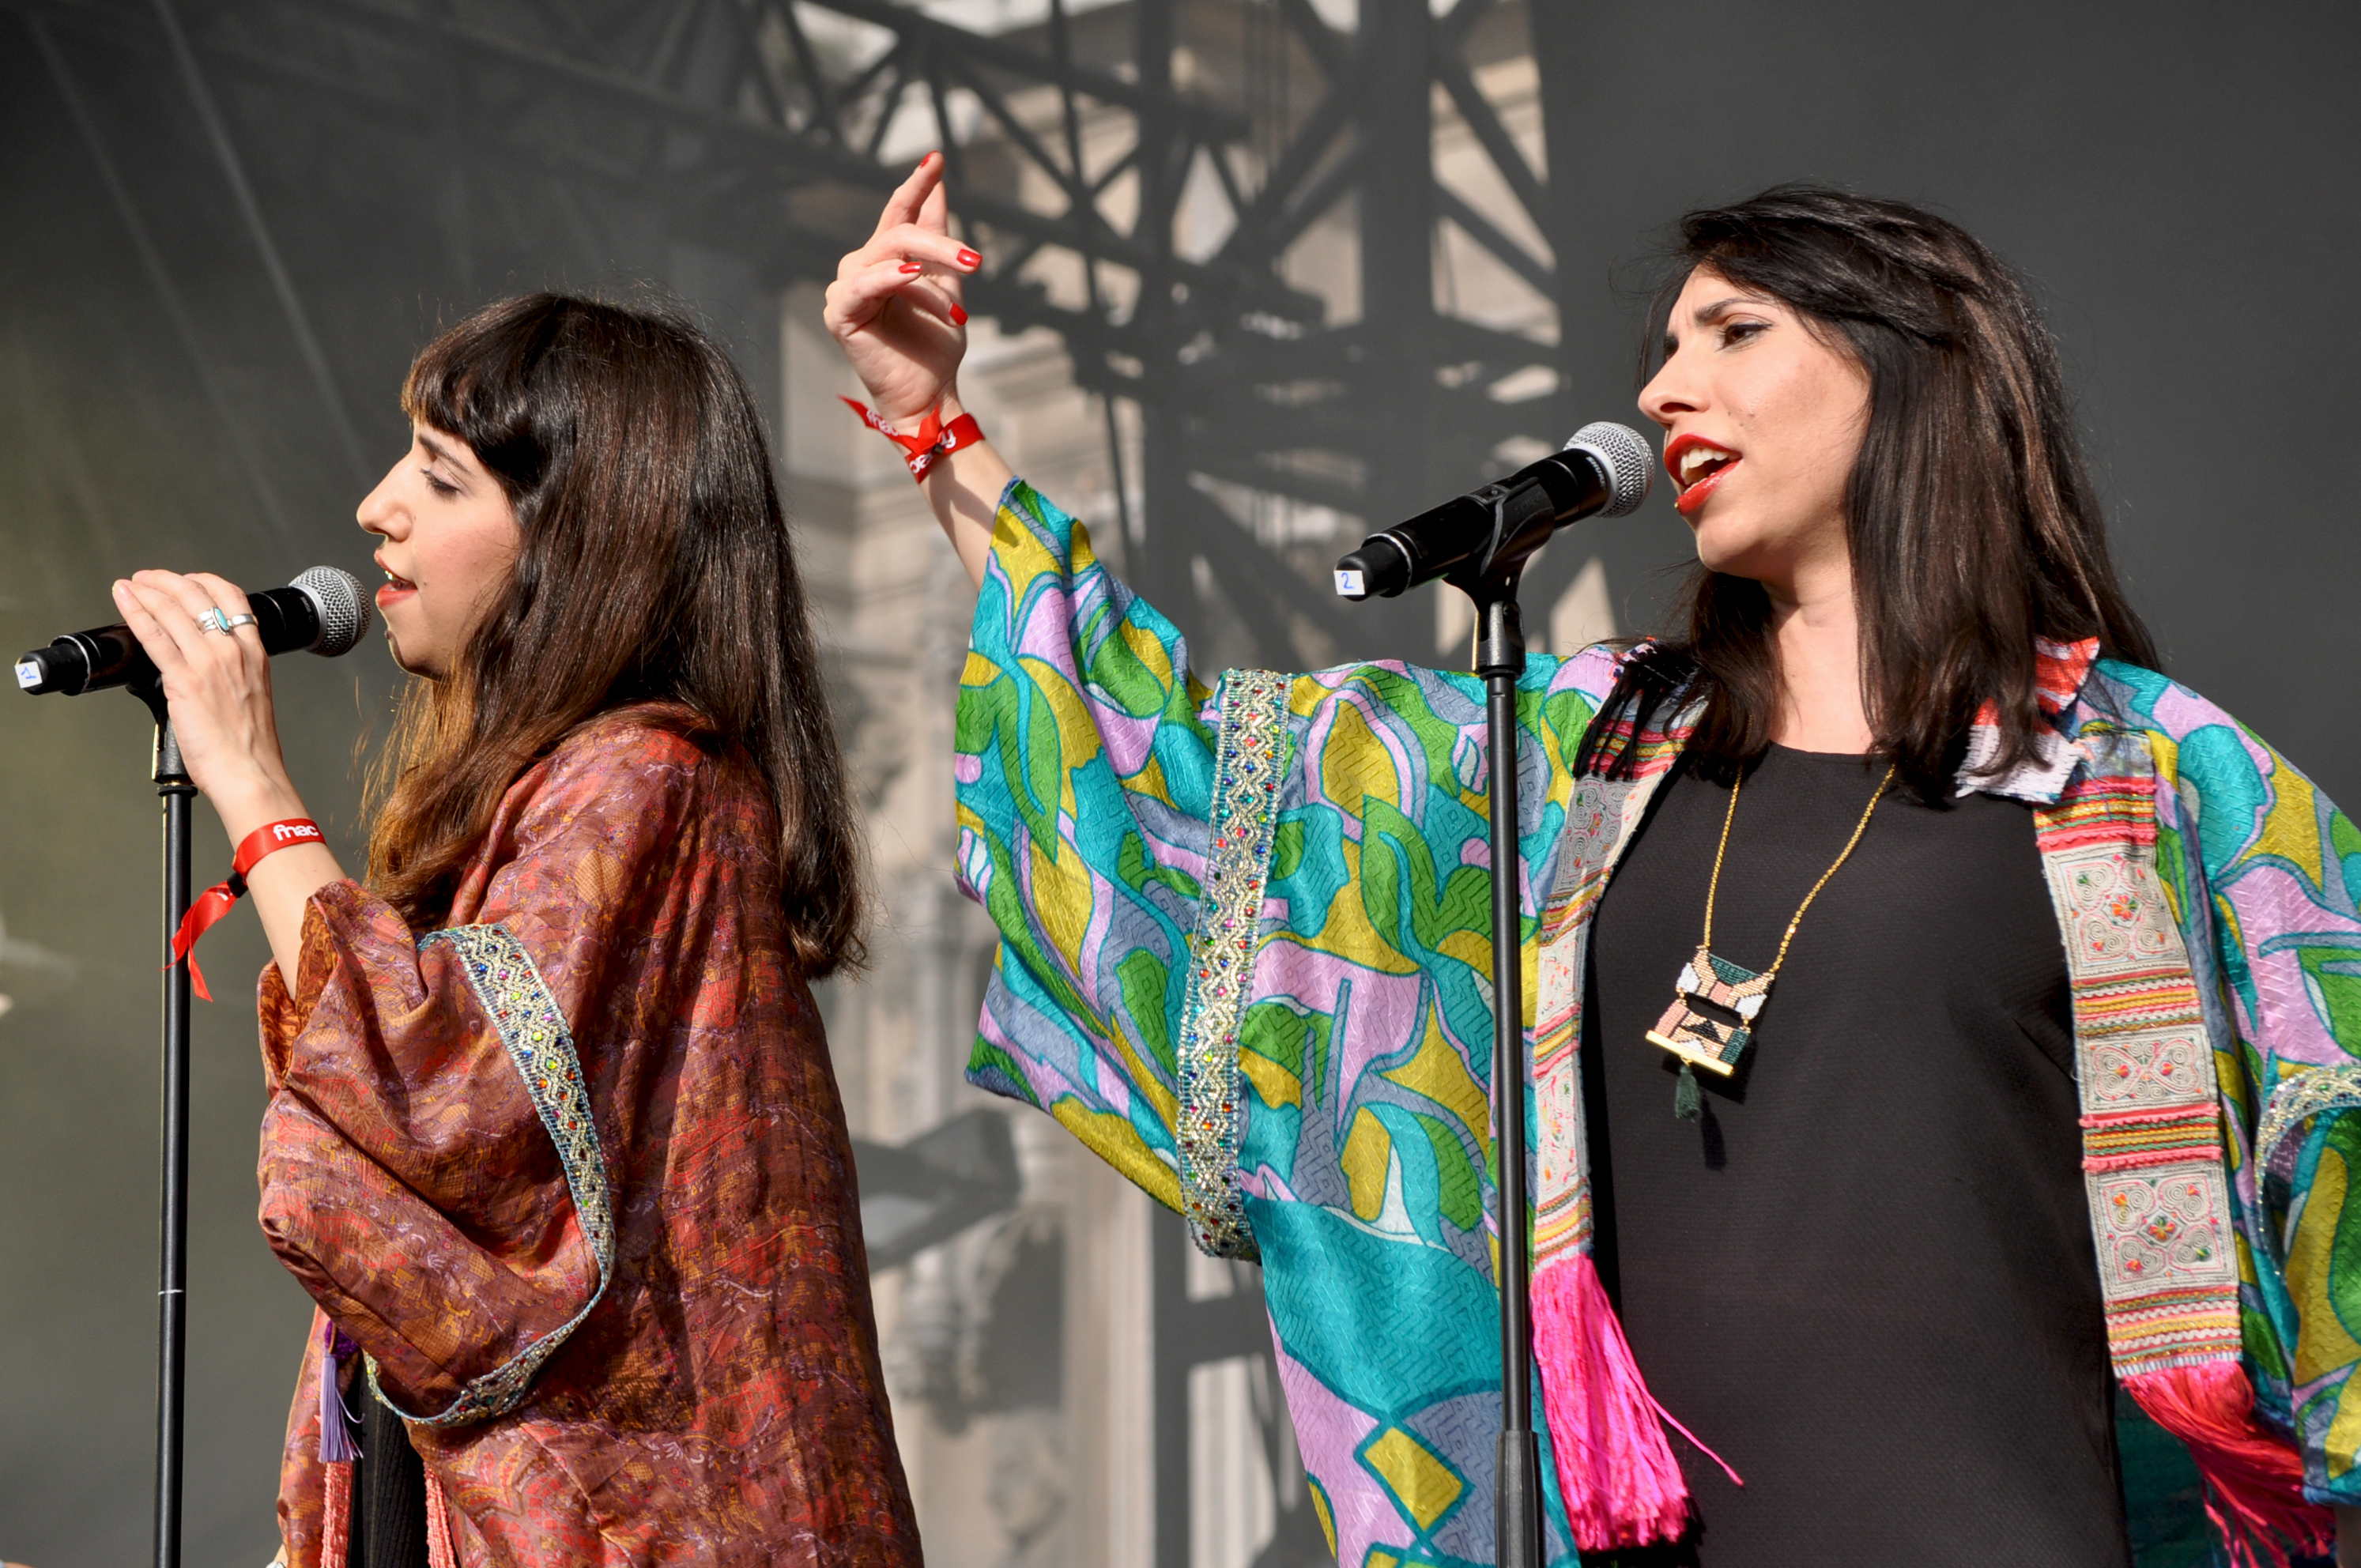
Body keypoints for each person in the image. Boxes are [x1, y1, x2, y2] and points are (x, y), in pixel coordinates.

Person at [828, 156, 2361, 1566]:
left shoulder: (2138, 775)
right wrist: (939, 429)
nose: (1664, 387)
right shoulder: (1587, 753)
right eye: (1664, 347)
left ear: (1909, 366)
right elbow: (1181, 771)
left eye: (1734, 333)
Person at [111, 294, 920, 1566]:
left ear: (578, 542)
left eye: (440, 478)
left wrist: (253, 780)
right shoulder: (558, 803)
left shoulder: (652, 781)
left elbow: (436, 1099)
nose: (376, 506)